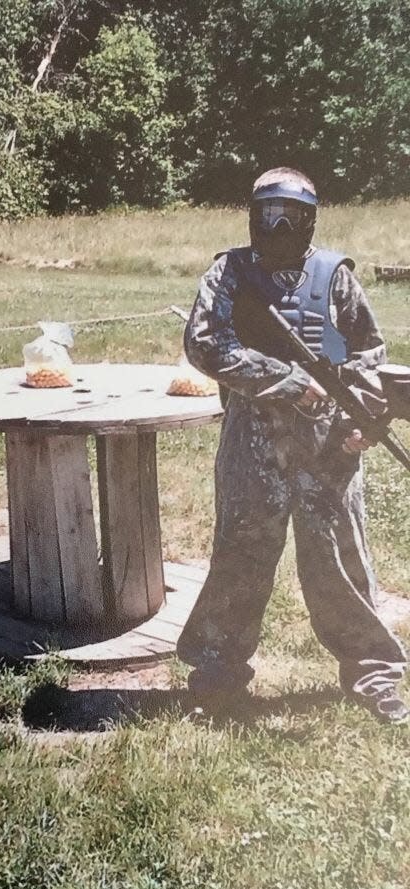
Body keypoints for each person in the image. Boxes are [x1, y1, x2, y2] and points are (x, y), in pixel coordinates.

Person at [177, 166, 408, 724]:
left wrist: (358, 410)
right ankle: (218, 672)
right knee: (240, 556)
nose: (279, 228)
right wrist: (286, 384)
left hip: (328, 445)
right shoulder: (229, 272)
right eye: (268, 216)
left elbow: (369, 351)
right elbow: (205, 342)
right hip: (253, 443)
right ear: (253, 217)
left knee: (339, 559)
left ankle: (373, 670)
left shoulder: (334, 276)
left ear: (310, 219)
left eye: (292, 217)